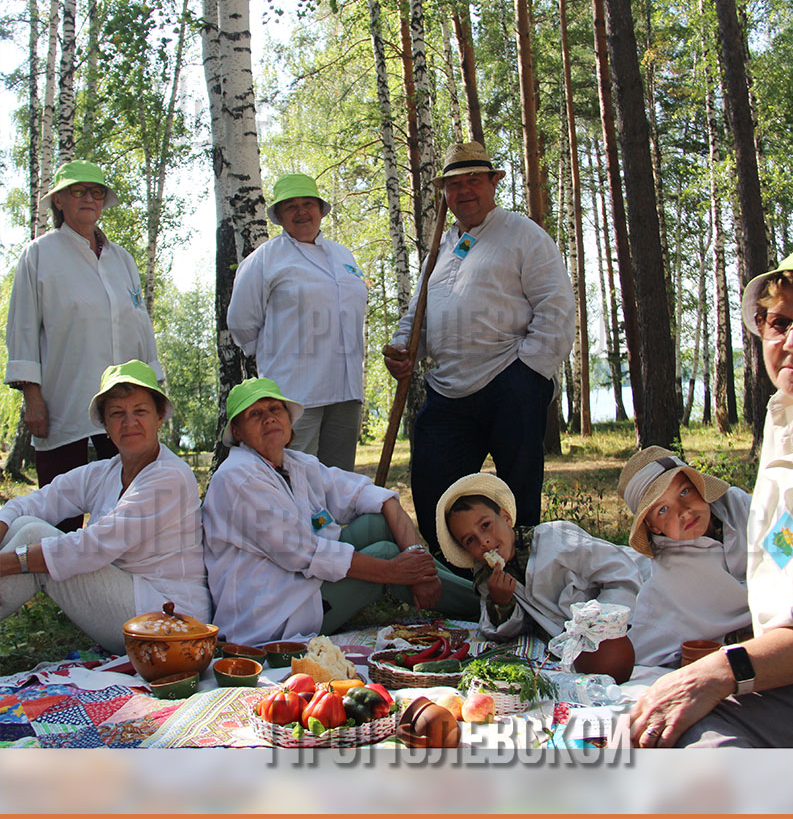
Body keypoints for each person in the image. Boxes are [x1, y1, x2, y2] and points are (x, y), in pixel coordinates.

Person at [631, 238, 793, 748]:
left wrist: (726, 671)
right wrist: (743, 653)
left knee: (699, 735)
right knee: (655, 721)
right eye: (778, 322)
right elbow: (784, 546)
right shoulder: (787, 415)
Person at [385, 142, 575, 559]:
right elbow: (417, 312)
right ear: (445, 194)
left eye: (474, 180)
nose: (464, 191)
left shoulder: (522, 234)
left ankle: (524, 574)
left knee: (517, 490)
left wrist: (529, 372)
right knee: (435, 486)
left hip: (509, 378)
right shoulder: (441, 247)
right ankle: (454, 579)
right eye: (454, 184)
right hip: (447, 390)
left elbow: (556, 305)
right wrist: (403, 348)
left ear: (493, 183)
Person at [202, 377, 479, 645]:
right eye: (255, 414)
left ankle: (480, 592)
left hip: (303, 583)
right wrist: (395, 572)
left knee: (377, 521)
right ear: (237, 432)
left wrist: (416, 561)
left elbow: (374, 497)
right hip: (273, 614)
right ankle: (487, 604)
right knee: (384, 555)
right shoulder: (237, 478)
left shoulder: (296, 464)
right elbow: (304, 553)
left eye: (275, 409)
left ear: (288, 419)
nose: (269, 418)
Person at [0, 361, 211, 655]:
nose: (129, 422)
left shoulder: (169, 476)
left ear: (159, 418)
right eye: (117, 414)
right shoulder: (106, 472)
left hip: (175, 626)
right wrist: (5, 521)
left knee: (34, 537)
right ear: (106, 426)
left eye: (140, 411)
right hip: (135, 607)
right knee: (24, 525)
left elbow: (94, 546)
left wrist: (11, 562)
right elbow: (40, 501)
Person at [5, 160, 164, 532]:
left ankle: (121, 572)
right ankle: (58, 578)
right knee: (63, 500)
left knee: (131, 494)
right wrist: (33, 396)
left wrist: (154, 391)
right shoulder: (39, 255)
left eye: (96, 192)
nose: (89, 199)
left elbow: (140, 325)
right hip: (66, 396)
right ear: (59, 200)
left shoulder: (121, 259)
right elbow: (23, 329)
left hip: (124, 401)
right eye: (78, 191)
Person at [435, 473, 640, 679]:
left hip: (634, 608)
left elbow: (620, 571)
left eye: (485, 525)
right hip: (578, 646)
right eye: (470, 540)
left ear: (506, 518)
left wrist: (601, 620)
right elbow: (506, 631)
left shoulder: (558, 540)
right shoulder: (487, 578)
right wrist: (501, 603)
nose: (484, 541)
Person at [227, 173, 367, 471]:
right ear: (278, 215)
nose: (302, 212)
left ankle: (336, 521)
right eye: (290, 206)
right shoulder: (265, 260)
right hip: (295, 392)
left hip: (347, 387)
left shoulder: (344, 256)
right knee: (296, 474)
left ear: (320, 209)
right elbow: (241, 322)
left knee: (339, 478)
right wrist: (278, 351)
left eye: (308, 203)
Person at [617, 447, 751, 668]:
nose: (685, 512)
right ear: (652, 527)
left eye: (684, 492)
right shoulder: (668, 587)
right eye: (663, 510)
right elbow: (646, 649)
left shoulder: (738, 506)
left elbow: (788, 546)